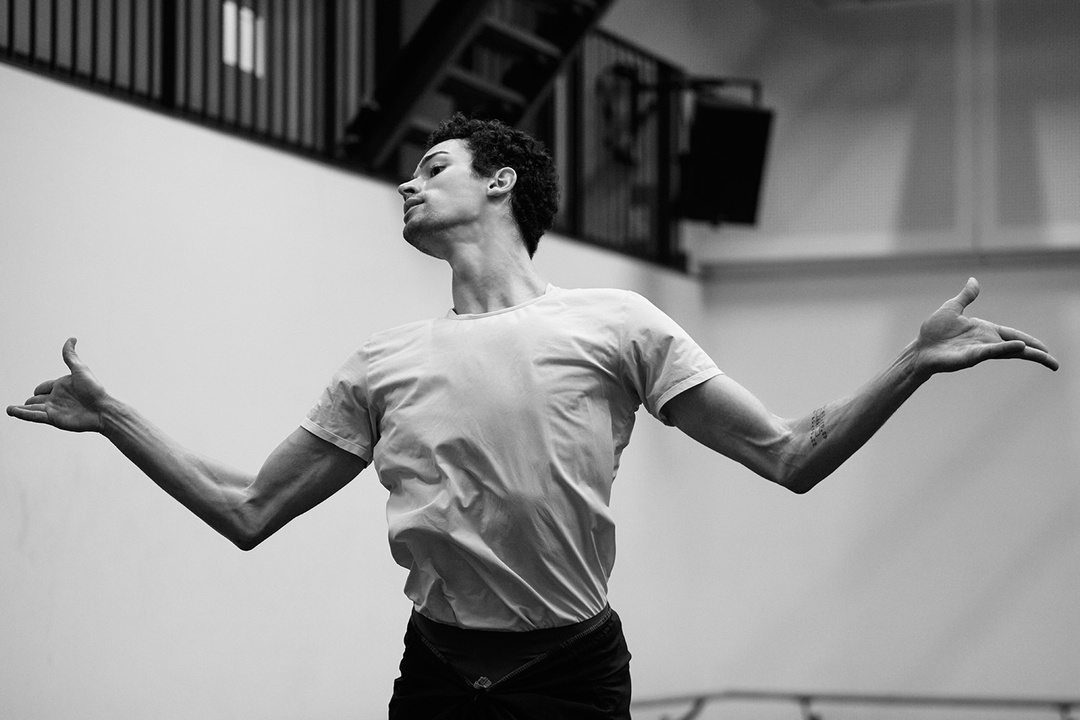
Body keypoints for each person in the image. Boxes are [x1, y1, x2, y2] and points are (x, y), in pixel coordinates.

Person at [6, 114, 1059, 719]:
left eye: (432, 168)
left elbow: (792, 454)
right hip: (435, 676)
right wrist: (114, 417)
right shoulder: (381, 363)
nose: (407, 186)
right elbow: (246, 510)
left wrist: (913, 365)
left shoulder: (618, 324)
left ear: (500, 182)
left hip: (571, 678)